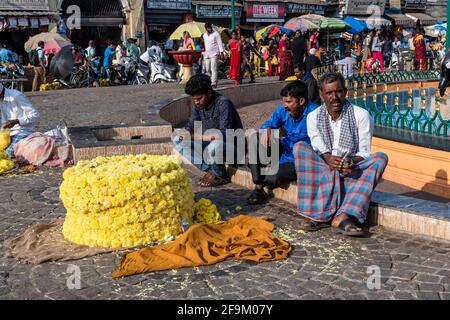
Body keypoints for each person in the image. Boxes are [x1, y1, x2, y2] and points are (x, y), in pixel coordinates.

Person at [294, 72, 388, 236]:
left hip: (350, 168)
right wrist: (330, 160)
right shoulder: (313, 117)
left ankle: (344, 215)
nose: (334, 97)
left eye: (338, 92)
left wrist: (350, 161)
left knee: (380, 158)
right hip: (325, 165)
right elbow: (318, 147)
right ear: (321, 95)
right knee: (300, 148)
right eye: (329, 93)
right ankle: (318, 214)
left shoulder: (361, 115)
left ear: (345, 92)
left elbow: (364, 152)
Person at [246, 81, 319, 204]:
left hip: (302, 160)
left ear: (301, 101)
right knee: (255, 138)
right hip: (284, 151)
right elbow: (267, 124)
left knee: (272, 174)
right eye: (284, 101)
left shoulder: (316, 114)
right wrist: (268, 129)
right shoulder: (283, 110)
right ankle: (259, 187)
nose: (284, 105)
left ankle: (260, 179)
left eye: (288, 101)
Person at [173, 74, 243, 187]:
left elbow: (223, 135)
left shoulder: (223, 103)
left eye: (199, 98)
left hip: (232, 148)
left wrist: (194, 136)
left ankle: (221, 175)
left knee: (214, 145)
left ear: (209, 93)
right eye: (194, 99)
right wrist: (184, 133)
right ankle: (210, 169)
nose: (196, 102)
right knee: (176, 139)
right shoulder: (199, 105)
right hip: (211, 145)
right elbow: (190, 125)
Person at [0, 82, 39, 157]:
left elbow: (35, 115)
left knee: (8, 153)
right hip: (10, 133)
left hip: (23, 131)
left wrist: (16, 121)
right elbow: (4, 120)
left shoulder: (16, 96)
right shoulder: (1, 99)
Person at [202, 22, 224, 88]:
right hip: (207, 54)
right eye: (208, 28)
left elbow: (220, 43)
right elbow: (205, 44)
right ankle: (212, 79)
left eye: (210, 28)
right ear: (206, 28)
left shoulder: (216, 34)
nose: (209, 29)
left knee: (213, 68)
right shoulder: (204, 35)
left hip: (215, 53)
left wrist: (222, 53)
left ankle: (214, 82)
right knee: (207, 69)